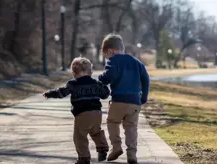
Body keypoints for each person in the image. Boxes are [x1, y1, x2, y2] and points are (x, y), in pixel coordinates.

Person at [43, 57, 110, 164]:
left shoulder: (73, 84)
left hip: (82, 114)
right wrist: (104, 85)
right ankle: (102, 148)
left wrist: (50, 93)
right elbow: (105, 95)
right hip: (97, 113)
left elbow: (62, 93)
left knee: (80, 136)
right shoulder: (96, 83)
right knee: (96, 131)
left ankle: (84, 158)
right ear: (90, 72)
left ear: (74, 73)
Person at [98, 33, 150, 164]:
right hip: (134, 102)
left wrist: (101, 79)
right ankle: (132, 154)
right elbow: (146, 79)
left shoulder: (113, 60)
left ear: (110, 51)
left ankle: (116, 147)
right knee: (131, 127)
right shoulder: (137, 62)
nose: (107, 59)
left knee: (112, 122)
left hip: (118, 100)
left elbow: (109, 75)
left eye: (106, 56)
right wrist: (143, 97)